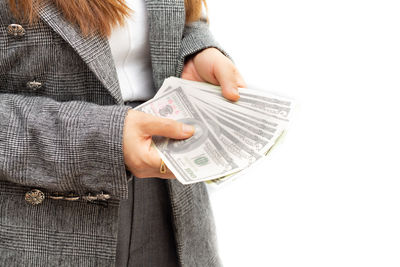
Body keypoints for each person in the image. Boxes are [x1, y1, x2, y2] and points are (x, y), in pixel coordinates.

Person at [0, 0, 246, 266]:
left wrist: (194, 49)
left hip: (175, 204)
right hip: (34, 220)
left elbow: (185, 17)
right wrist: (101, 140)